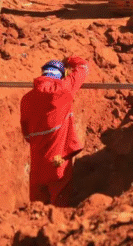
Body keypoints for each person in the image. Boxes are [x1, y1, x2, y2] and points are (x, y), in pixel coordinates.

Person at [19, 56, 90, 205]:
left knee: (36, 209)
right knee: (59, 208)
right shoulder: (63, 90)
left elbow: (26, 134)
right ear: (61, 75)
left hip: (37, 163)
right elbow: (83, 67)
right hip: (58, 160)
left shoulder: (26, 99)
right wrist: (69, 60)